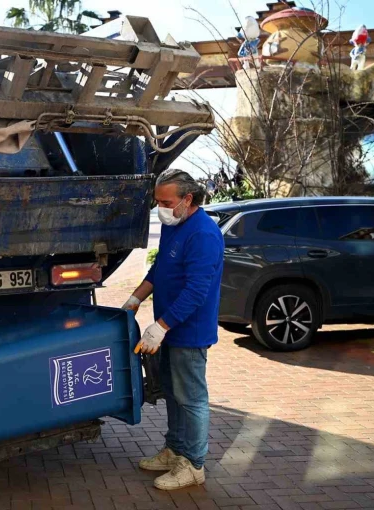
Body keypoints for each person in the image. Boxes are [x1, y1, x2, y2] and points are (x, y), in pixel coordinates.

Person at [123, 169, 224, 491]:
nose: (160, 209)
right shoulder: (175, 225)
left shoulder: (203, 234)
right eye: (158, 202)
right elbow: (160, 268)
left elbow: (197, 291)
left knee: (191, 398)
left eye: (166, 202)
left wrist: (161, 327)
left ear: (188, 199)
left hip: (187, 331)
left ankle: (193, 464)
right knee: (173, 393)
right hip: (167, 329)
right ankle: (174, 450)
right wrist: (135, 298)